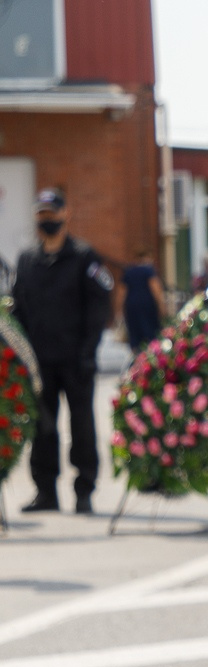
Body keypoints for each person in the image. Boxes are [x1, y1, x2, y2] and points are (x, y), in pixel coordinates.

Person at [10, 189, 113, 515]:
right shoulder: (27, 260)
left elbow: (99, 308)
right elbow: (17, 312)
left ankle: (84, 490)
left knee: (82, 426)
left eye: (52, 214)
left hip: (76, 360)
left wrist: (88, 350)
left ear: (66, 214)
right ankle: (46, 493)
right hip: (40, 362)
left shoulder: (85, 257)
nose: (47, 220)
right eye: (42, 215)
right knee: (42, 429)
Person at [120, 249, 166, 353]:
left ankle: (137, 359)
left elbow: (121, 293)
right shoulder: (149, 271)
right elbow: (155, 289)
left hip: (131, 307)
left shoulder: (128, 272)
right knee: (151, 335)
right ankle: (149, 360)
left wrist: (119, 311)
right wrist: (162, 308)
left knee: (135, 335)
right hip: (147, 307)